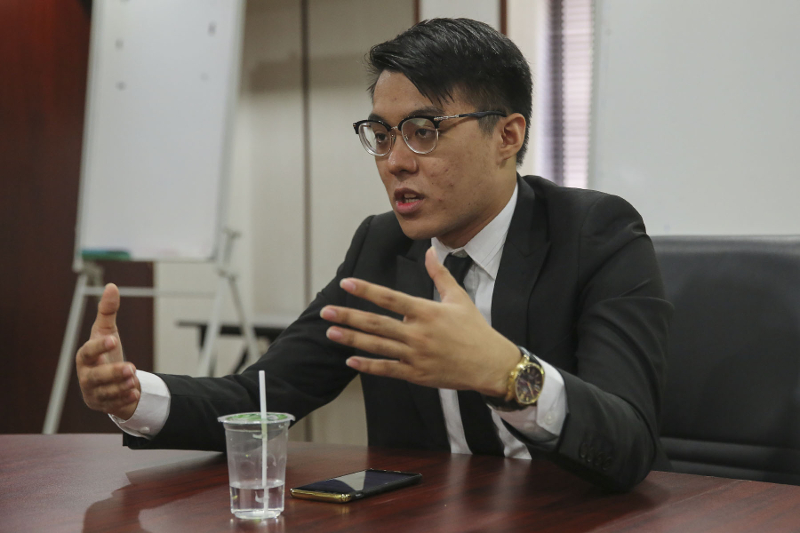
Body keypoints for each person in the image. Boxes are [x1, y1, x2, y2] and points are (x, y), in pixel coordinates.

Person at [76, 18, 671, 492]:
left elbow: (628, 443)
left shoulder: (596, 233)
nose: (396, 162)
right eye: (382, 135)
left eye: (424, 130)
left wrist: (507, 373)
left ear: (507, 136)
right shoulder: (382, 246)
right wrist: (136, 396)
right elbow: (260, 397)